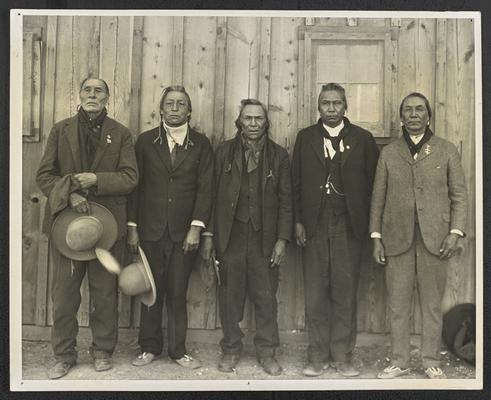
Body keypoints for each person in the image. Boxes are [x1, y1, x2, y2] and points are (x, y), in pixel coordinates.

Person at [36, 77, 138, 379]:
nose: (93, 95)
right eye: (87, 90)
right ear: (79, 95)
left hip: (107, 228)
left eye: (99, 91)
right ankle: (64, 355)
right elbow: (44, 176)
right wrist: (70, 193)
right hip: (68, 227)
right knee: (65, 294)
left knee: (105, 292)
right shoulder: (61, 130)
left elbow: (130, 178)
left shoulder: (120, 134)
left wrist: (97, 180)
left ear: (108, 97)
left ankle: (103, 351)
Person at [370, 92, 467, 379]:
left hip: (435, 240)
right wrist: (376, 236)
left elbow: (459, 196)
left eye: (419, 110)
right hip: (396, 239)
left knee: (431, 304)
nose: (413, 115)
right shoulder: (389, 152)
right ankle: (399, 360)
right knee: (398, 304)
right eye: (408, 110)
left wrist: (455, 232)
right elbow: (377, 197)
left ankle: (430, 359)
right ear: (401, 117)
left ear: (428, 116)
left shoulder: (446, 150)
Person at [291, 83, 379, 377]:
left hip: (348, 226)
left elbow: (372, 188)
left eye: (337, 103)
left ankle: (343, 356)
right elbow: (295, 183)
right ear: (319, 107)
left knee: (345, 292)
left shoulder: (363, 139)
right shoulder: (305, 138)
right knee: (315, 293)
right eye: (326, 103)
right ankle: (316, 356)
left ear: (345, 107)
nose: (331, 108)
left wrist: (368, 226)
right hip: (314, 225)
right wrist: (298, 221)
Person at [200, 99, 292, 376]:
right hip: (231, 236)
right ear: (239, 121)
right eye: (248, 119)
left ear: (266, 123)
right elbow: (212, 196)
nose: (253, 124)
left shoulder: (278, 156)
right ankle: (230, 349)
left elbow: (287, 201)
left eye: (258, 119)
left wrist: (281, 240)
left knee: (266, 297)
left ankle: (266, 352)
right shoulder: (224, 152)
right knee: (230, 296)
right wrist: (209, 235)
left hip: (265, 238)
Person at [127, 85, 214, 369]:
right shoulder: (145, 142)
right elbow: (135, 188)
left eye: (181, 104)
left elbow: (206, 189)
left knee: (177, 292)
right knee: (151, 291)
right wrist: (132, 226)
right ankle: (149, 347)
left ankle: (177, 351)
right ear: (161, 109)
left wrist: (196, 228)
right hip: (150, 230)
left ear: (189, 110)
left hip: (183, 234)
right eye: (170, 104)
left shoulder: (201, 144)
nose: (175, 108)